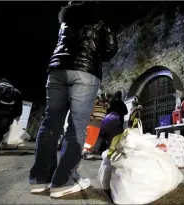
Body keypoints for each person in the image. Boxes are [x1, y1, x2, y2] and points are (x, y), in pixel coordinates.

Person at [29, 1, 118, 198]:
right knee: (76, 125)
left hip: (56, 70)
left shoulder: (65, 21)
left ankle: (39, 178)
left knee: (50, 123)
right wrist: (96, 53)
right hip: (85, 72)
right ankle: (63, 181)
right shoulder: (100, 20)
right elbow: (111, 49)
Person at [0, 78, 23, 156]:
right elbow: (19, 105)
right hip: (8, 114)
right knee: (0, 131)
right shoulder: (16, 91)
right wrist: (17, 115)